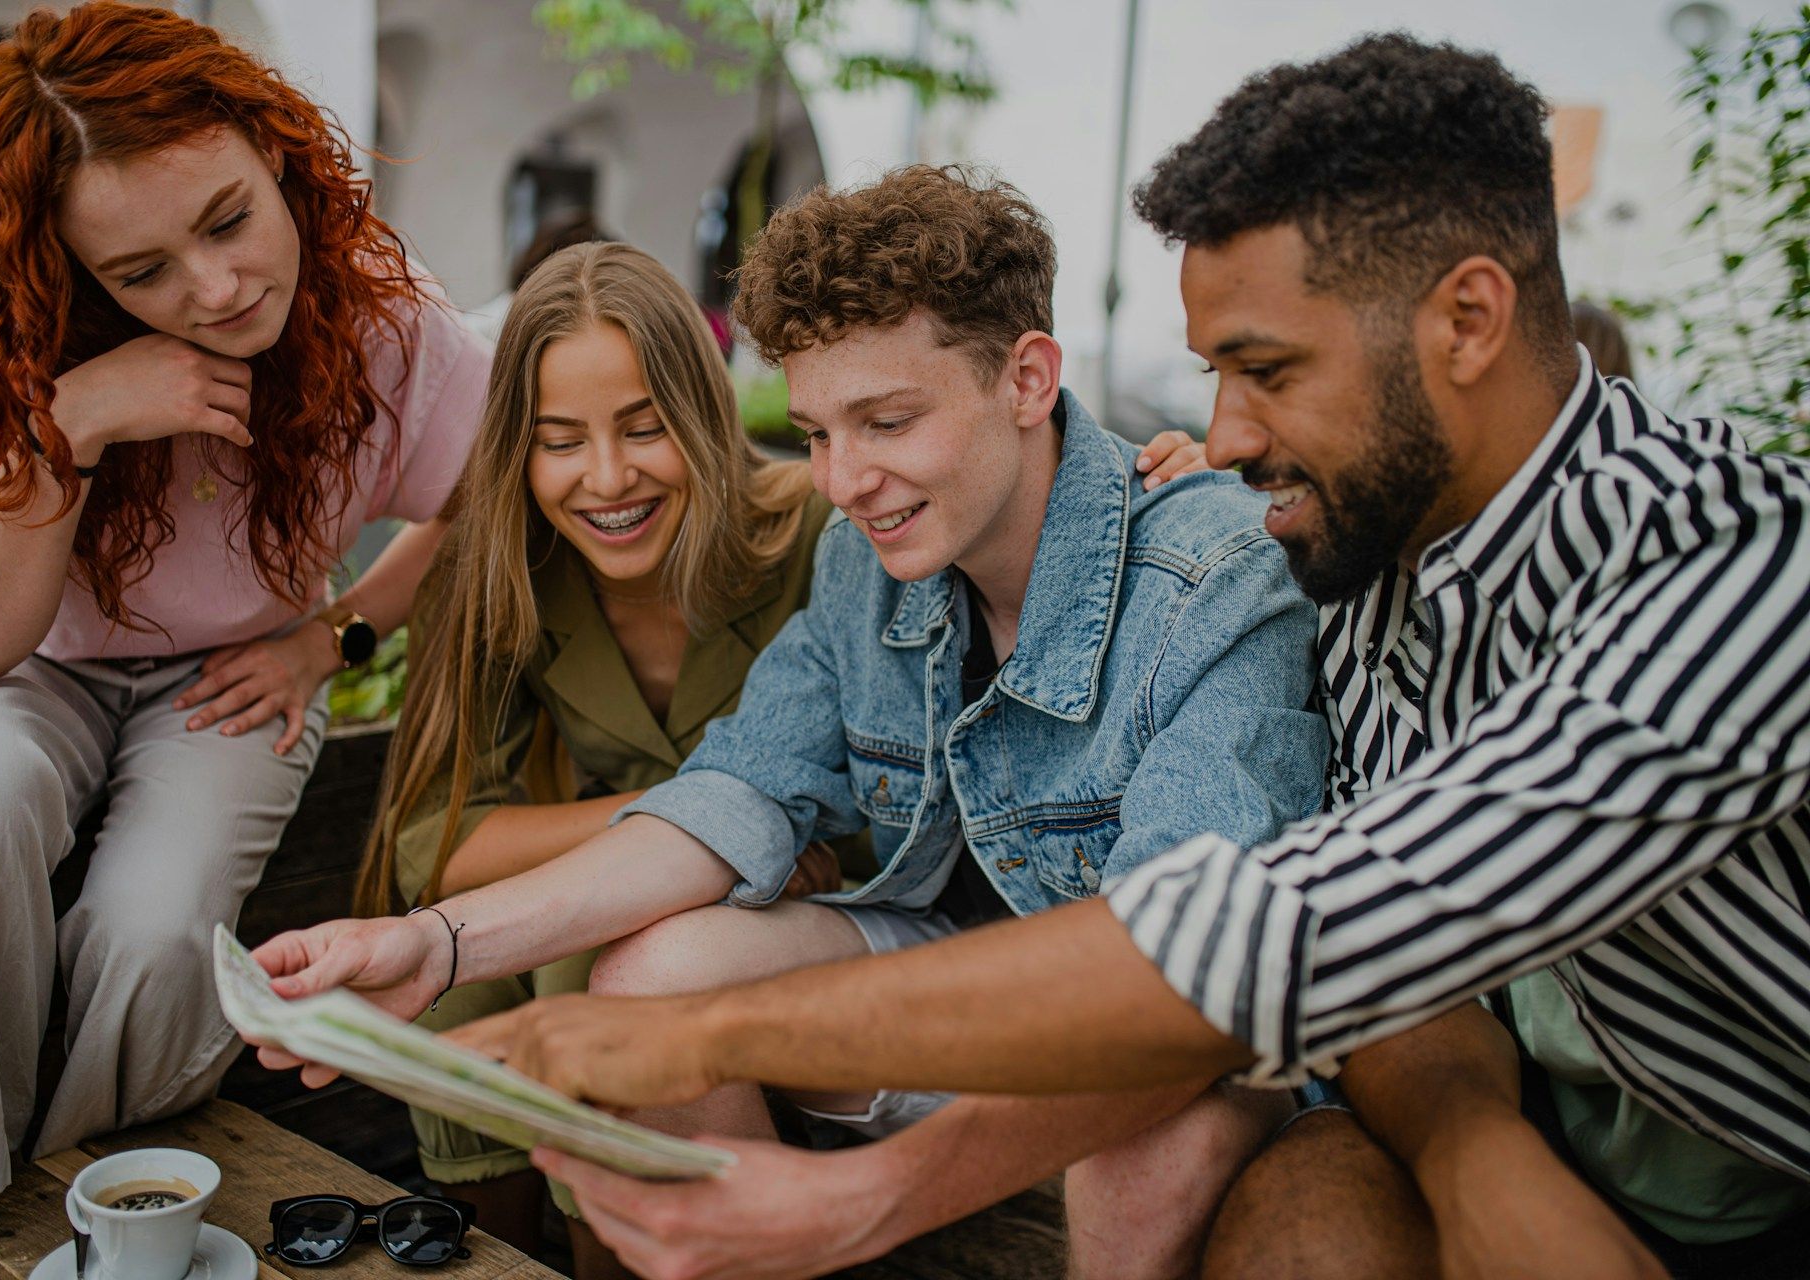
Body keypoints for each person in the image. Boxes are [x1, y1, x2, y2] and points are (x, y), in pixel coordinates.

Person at [469, 35, 1810, 1280]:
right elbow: (1397, 949)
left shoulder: (1732, 580)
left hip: (1755, 1178)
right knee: (1307, 1226)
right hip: (1493, 1105)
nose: (1221, 437)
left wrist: (711, 1050)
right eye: (1213, 377)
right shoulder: (1372, 554)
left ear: (1466, 321)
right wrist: (1474, 1144)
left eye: (1267, 369)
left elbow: (1246, 942)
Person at [252, 164, 1326, 1279]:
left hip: (1179, 1038)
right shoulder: (866, 565)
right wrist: (433, 943)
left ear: (1028, 377)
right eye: (815, 432)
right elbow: (734, 796)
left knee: (1142, 1143)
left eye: (888, 419)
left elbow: (1184, 986)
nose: (846, 479)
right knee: (650, 974)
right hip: (960, 977)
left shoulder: (1213, 582)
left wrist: (857, 1196)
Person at [0, 3, 490, 1203]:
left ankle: (99, 1191)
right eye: (138, 271)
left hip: (235, 665)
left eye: (227, 222)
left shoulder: (380, 308)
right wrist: (78, 423)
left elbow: (483, 503)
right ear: (68, 266)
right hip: (27, 661)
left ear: (270, 149)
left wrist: (338, 631)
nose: (216, 288)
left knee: (160, 931)